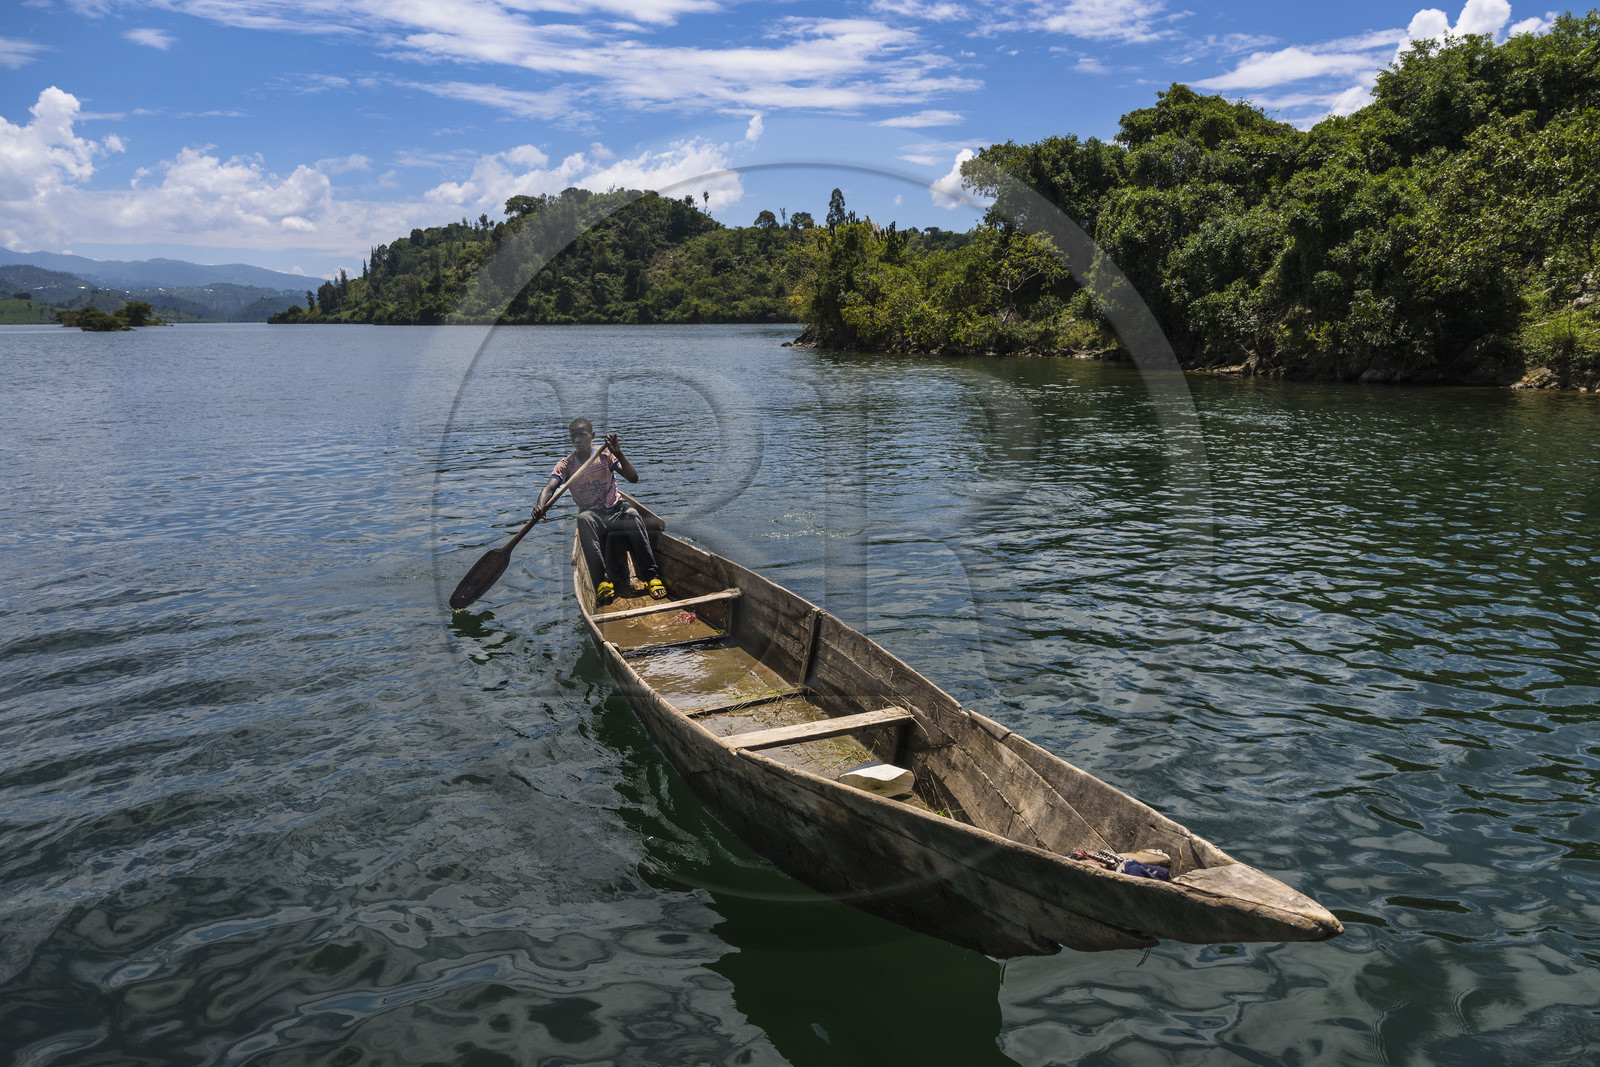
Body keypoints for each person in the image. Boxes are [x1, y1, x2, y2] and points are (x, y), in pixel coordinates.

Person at [535, 417, 667, 605]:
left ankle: (651, 576)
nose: (577, 440)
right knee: (583, 518)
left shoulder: (604, 455)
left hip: (615, 508)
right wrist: (540, 505)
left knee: (632, 515)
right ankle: (602, 582)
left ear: (592, 436)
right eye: (573, 436)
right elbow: (549, 489)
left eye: (582, 435)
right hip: (594, 515)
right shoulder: (566, 464)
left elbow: (633, 478)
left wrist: (619, 453)